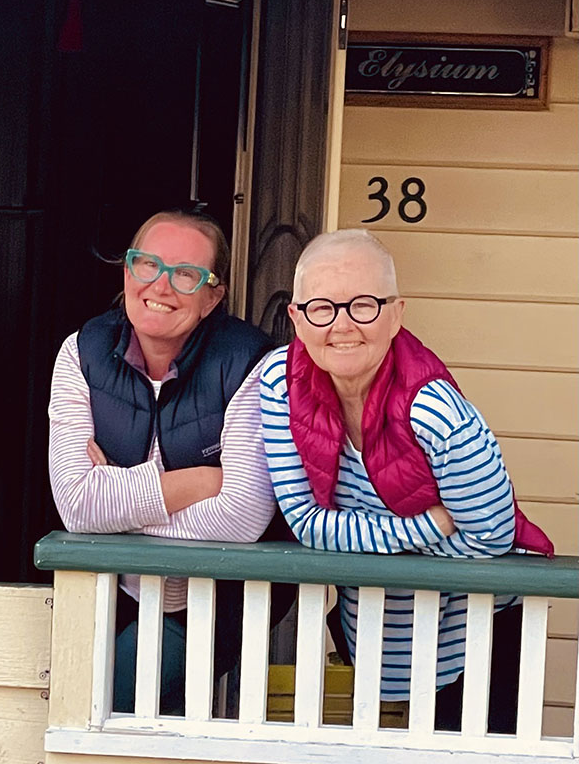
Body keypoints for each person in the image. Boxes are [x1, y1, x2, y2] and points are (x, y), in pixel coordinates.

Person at [258, 228, 553, 732]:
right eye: (322, 307)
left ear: (397, 313)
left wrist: (353, 539)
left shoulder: (437, 412)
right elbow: (307, 524)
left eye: (364, 305)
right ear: (296, 318)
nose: (343, 325)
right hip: (376, 629)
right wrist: (432, 525)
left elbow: (490, 541)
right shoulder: (276, 384)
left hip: (477, 629)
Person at [48, 208, 287, 716]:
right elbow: (75, 506)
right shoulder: (81, 352)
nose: (161, 285)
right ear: (127, 270)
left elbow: (242, 518)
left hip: (219, 593)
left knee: (110, 701)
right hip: (117, 591)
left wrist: (114, 495)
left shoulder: (253, 362)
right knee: (113, 714)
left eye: (185, 274)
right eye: (147, 264)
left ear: (213, 295)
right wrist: (202, 480)